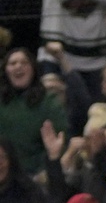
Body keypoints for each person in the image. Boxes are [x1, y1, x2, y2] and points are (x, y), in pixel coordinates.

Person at [0, 50, 72, 180]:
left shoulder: (48, 101)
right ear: (5, 70)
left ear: (33, 69)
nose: (18, 66)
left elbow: (61, 139)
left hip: (37, 176)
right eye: (13, 63)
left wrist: (43, 170)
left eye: (24, 62)